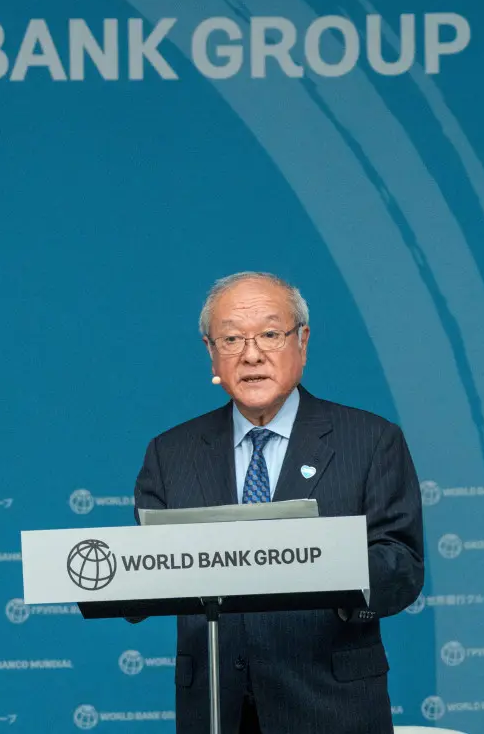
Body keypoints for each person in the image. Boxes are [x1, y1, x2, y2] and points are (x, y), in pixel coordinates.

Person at [131, 271, 423, 734]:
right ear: (211, 351)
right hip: (216, 707)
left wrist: (329, 564)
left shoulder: (369, 440)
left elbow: (402, 565)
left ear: (302, 342)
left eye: (270, 334)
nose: (251, 355)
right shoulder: (171, 453)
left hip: (333, 704)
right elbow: (147, 567)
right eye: (231, 339)